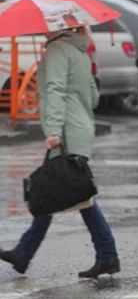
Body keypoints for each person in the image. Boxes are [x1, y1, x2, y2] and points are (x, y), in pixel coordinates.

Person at [0, 26, 120, 278]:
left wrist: (53, 130)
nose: (42, 29)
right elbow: (94, 97)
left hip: (64, 133)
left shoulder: (56, 50)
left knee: (73, 194)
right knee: (59, 190)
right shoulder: (80, 51)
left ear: (56, 29)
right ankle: (23, 253)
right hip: (80, 129)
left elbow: (55, 89)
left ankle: (107, 255)